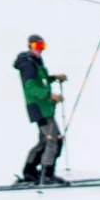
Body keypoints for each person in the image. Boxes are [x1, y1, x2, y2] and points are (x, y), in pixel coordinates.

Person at [13, 34, 68, 185]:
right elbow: (31, 88)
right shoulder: (28, 64)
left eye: (42, 46)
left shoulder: (34, 61)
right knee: (53, 139)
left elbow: (40, 81)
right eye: (37, 46)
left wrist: (53, 78)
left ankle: (30, 171)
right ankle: (47, 174)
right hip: (39, 108)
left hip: (44, 108)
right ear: (29, 45)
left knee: (46, 140)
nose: (40, 49)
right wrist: (49, 95)